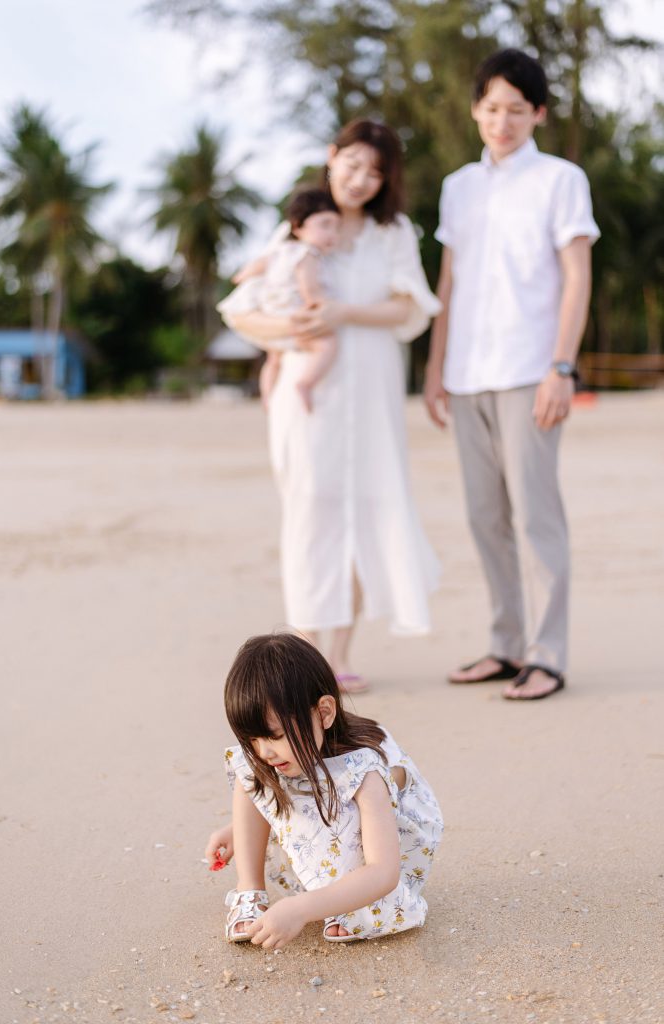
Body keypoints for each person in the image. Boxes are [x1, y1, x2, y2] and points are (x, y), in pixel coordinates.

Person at [219, 119, 442, 692]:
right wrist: (291, 328)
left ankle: (339, 656)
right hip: (309, 391)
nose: (362, 179)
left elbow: (410, 308)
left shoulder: (390, 232)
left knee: (368, 509)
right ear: (331, 156)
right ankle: (307, 658)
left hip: (371, 388)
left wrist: (344, 313)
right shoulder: (294, 229)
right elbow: (242, 309)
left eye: (376, 170)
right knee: (311, 512)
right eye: (353, 164)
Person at [424, 49, 600, 701]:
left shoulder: (561, 179)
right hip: (466, 375)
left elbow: (577, 276)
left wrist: (562, 367)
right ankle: (504, 645)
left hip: (532, 370)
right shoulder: (457, 187)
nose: (503, 121)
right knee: (483, 515)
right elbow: (449, 281)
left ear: (538, 115)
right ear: (475, 110)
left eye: (517, 110)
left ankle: (547, 656)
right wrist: (435, 368)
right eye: (492, 108)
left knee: (536, 515)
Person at [206, 632, 443, 948]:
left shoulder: (363, 769)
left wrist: (301, 909)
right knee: (250, 768)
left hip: (383, 848)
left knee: (342, 814)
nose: (265, 750)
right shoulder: (276, 754)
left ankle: (350, 906)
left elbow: (383, 872)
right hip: (319, 827)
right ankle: (249, 890)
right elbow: (280, 786)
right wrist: (241, 827)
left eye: (274, 735)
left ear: (324, 713)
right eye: (253, 739)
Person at [221, 188, 342, 412]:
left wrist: (240, 276)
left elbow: (257, 265)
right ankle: (306, 383)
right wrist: (321, 305)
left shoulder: (282, 250)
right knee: (328, 345)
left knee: (274, 359)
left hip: (272, 312)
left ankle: (267, 396)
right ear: (298, 227)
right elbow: (309, 288)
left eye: (336, 227)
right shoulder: (309, 254)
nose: (332, 234)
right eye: (325, 225)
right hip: (292, 312)